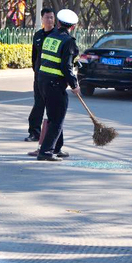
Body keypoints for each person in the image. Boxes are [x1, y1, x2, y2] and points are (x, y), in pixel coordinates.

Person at [36, 9, 80, 162]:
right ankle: (46, 152)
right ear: (73, 27)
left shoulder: (50, 37)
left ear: (58, 22)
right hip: (55, 84)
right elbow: (65, 67)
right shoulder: (68, 41)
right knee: (57, 119)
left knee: (54, 115)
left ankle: (57, 147)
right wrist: (74, 85)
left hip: (43, 81)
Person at [25, 8, 56, 144]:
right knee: (38, 104)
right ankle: (34, 132)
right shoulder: (38, 35)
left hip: (53, 78)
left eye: (51, 17)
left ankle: (51, 134)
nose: (49, 20)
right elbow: (34, 56)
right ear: (42, 19)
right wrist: (36, 71)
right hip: (39, 76)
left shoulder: (57, 36)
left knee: (53, 107)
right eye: (47, 17)